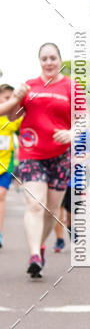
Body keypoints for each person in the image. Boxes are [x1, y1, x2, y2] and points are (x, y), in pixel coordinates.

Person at [3, 44, 80, 278]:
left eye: (53, 58)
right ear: (39, 61)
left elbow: (85, 120)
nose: (49, 62)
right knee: (35, 205)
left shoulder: (71, 87)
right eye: (44, 58)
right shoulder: (30, 86)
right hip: (31, 153)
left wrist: (71, 133)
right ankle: (35, 254)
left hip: (60, 155)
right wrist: (17, 98)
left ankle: (42, 245)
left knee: (51, 210)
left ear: (60, 60)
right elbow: (12, 115)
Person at [0, 84, 22, 248]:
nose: (11, 102)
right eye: (7, 98)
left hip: (5, 166)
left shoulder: (13, 119)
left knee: (1, 196)